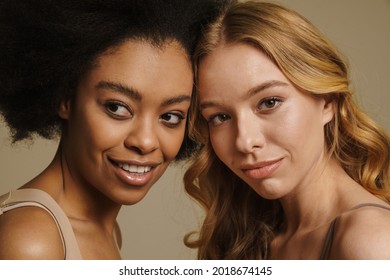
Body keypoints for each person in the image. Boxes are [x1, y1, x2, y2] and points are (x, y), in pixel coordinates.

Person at [0, 0, 225, 259]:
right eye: (117, 108)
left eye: (170, 116)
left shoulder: (105, 230)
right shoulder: (32, 240)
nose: (145, 141)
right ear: (66, 97)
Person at [184, 0, 390, 259]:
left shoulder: (371, 240)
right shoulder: (252, 236)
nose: (245, 141)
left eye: (269, 103)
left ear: (327, 101)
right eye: (220, 117)